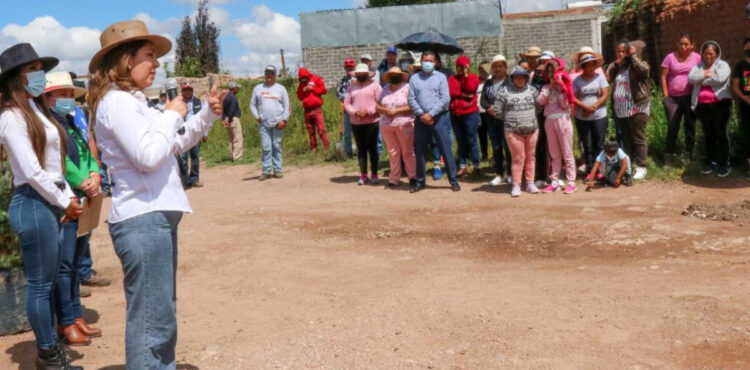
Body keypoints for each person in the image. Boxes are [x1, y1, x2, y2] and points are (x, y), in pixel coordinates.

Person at [87, 20, 225, 369]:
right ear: (126, 61)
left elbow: (172, 145)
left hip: (153, 218)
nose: (157, 63)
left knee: (159, 314)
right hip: (143, 219)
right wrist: (169, 116)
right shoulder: (116, 103)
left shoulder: (134, 102)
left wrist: (205, 114)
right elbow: (149, 157)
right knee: (153, 321)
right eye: (149, 56)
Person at [0, 42, 84, 370]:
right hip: (34, 203)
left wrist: (64, 196)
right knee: (39, 284)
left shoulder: (36, 110)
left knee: (46, 281)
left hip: (47, 202)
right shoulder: (10, 116)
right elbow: (33, 172)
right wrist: (65, 201)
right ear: (16, 78)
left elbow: (52, 164)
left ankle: (49, 351)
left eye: (40, 68)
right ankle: (49, 356)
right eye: (32, 70)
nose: (40, 75)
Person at [44, 71, 102, 347]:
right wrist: (83, 182)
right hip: (66, 201)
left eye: (70, 94)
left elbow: (88, 152)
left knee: (77, 260)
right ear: (48, 98)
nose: (68, 99)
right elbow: (60, 162)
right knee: (64, 265)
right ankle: (65, 321)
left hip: (83, 197)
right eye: (62, 94)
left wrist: (95, 175)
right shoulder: (49, 127)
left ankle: (76, 315)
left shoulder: (71, 122)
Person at [408, 51, 460, 193]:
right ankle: (420, 181)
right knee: (419, 150)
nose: (427, 63)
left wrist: (431, 114)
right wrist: (422, 114)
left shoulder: (441, 77)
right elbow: (411, 99)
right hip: (421, 119)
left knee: (445, 149)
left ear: (435, 62)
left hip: (439, 118)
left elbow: (445, 99)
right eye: (425, 60)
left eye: (430, 60)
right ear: (421, 61)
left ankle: (453, 180)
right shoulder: (414, 78)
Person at [493, 66, 540, 197]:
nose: (519, 80)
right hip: (513, 131)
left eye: (522, 77)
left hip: (532, 130)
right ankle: (516, 185)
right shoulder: (504, 91)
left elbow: (539, 107)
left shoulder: (532, 90)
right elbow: (497, 111)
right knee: (518, 159)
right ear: (512, 79)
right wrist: (511, 120)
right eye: (516, 77)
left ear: (526, 78)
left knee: (531, 157)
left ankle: (530, 183)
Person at [607, 40, 650, 180]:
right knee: (626, 139)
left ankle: (642, 166)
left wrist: (633, 56)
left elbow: (645, 71)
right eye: (618, 51)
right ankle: (628, 165)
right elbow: (608, 78)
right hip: (621, 109)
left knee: (638, 138)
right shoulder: (617, 67)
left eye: (623, 51)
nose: (620, 54)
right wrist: (616, 65)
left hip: (637, 107)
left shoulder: (637, 64)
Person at [689, 40, 733, 177]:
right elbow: (690, 78)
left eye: (711, 53)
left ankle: (724, 164)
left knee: (721, 134)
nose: (708, 56)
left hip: (720, 105)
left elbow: (720, 78)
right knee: (708, 135)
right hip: (702, 106)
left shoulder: (723, 65)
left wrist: (702, 80)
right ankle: (711, 161)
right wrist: (706, 74)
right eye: (705, 53)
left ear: (717, 54)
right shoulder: (698, 66)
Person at [537, 58, 577, 194]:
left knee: (567, 152)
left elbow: (566, 105)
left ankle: (571, 181)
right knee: (553, 153)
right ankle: (554, 181)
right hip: (549, 120)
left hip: (562, 119)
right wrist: (550, 87)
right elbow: (540, 101)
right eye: (548, 71)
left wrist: (560, 89)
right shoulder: (545, 87)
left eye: (552, 71)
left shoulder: (564, 86)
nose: (550, 74)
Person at [661, 35, 701, 157]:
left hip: (689, 96)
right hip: (673, 99)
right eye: (681, 44)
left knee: (690, 124)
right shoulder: (670, 57)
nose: (683, 47)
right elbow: (663, 76)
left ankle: (689, 152)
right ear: (677, 44)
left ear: (692, 45)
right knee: (673, 125)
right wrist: (666, 96)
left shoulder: (697, 58)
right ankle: (669, 153)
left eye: (686, 44)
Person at [377, 66, 416, 188]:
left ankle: (413, 177)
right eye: (391, 76)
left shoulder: (407, 88)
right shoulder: (384, 89)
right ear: (388, 78)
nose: (394, 77)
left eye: (396, 75)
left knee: (407, 151)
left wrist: (397, 111)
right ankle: (394, 178)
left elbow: (412, 105)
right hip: (387, 126)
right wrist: (384, 109)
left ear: (401, 76)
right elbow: (377, 106)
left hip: (404, 124)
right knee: (393, 152)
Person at [573, 53, 610, 177]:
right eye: (587, 66)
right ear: (582, 67)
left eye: (592, 65)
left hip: (599, 116)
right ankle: (590, 170)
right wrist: (585, 107)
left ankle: (600, 170)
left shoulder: (600, 78)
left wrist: (593, 107)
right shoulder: (577, 81)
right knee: (587, 145)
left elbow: (605, 95)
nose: (590, 68)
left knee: (599, 144)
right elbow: (573, 97)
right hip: (582, 117)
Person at [345, 64, 382, 185]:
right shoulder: (351, 87)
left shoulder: (375, 86)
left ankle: (375, 173)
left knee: (372, 148)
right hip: (356, 122)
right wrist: (354, 112)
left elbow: (380, 102)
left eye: (363, 74)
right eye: (359, 74)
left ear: (367, 74)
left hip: (372, 122)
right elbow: (347, 104)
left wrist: (369, 111)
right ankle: (363, 174)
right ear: (356, 75)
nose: (361, 75)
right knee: (361, 149)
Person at [250, 65, 290, 180]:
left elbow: (287, 105)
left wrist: (284, 119)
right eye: (267, 73)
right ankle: (266, 171)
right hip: (264, 124)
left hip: (278, 123)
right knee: (266, 147)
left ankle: (278, 170)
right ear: (265, 74)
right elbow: (252, 104)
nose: (269, 76)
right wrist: (256, 116)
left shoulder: (281, 89)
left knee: (276, 146)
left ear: (275, 75)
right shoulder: (258, 88)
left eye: (271, 73)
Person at [480, 54, 512, 186]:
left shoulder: (510, 81)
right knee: (496, 147)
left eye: (500, 66)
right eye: (495, 67)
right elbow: (482, 100)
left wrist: (499, 108)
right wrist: (489, 108)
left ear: (505, 68)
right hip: (491, 120)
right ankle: (499, 174)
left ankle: (510, 173)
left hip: (506, 119)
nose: (498, 69)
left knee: (509, 147)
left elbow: (512, 98)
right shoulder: (488, 82)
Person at [448, 55, 481, 176]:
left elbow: (470, 88)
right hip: (455, 114)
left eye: (463, 66)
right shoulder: (452, 78)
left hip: (470, 113)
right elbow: (450, 92)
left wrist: (466, 76)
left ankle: (476, 164)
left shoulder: (473, 77)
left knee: (471, 139)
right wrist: (464, 95)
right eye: (458, 66)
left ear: (468, 66)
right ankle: (462, 165)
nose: (460, 69)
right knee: (460, 140)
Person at [177, 82, 204, 188]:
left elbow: (203, 117)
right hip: (182, 133)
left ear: (192, 91)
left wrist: (204, 133)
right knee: (182, 158)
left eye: (189, 89)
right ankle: (185, 180)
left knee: (195, 157)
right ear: (182, 91)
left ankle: (194, 179)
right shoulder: (178, 103)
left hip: (195, 133)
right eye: (185, 90)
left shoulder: (198, 101)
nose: (187, 92)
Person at [297, 67, 329, 151]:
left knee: (321, 129)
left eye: (305, 77)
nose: (304, 79)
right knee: (310, 131)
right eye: (302, 78)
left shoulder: (316, 79)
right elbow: (300, 97)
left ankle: (326, 147)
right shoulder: (301, 84)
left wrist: (312, 89)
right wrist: (302, 90)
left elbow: (324, 90)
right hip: (307, 110)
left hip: (317, 109)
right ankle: (313, 148)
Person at [732, 37, 750, 179]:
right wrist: (744, 98)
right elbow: (735, 86)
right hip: (746, 106)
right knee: (748, 135)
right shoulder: (740, 66)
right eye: (747, 48)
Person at [336, 58, 356, 157]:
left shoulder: (358, 78)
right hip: (347, 110)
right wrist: (347, 96)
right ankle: (349, 152)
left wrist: (347, 96)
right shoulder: (342, 80)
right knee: (347, 132)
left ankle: (361, 151)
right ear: (345, 68)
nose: (349, 69)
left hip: (358, 109)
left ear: (354, 67)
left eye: (351, 67)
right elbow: (338, 93)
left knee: (359, 131)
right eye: (347, 67)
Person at [222, 81, 243, 162]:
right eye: (237, 87)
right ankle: (237, 156)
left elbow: (223, 110)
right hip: (233, 119)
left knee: (231, 138)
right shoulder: (233, 97)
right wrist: (230, 118)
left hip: (228, 120)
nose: (238, 89)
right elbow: (232, 109)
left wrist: (224, 119)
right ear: (234, 88)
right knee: (237, 138)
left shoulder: (226, 97)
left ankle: (231, 155)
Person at [477, 61, 491, 161]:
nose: (483, 72)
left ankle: (496, 155)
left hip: (488, 111)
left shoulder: (491, 80)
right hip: (478, 111)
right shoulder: (476, 80)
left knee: (491, 134)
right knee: (482, 135)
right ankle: (484, 154)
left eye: (485, 69)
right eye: (481, 69)